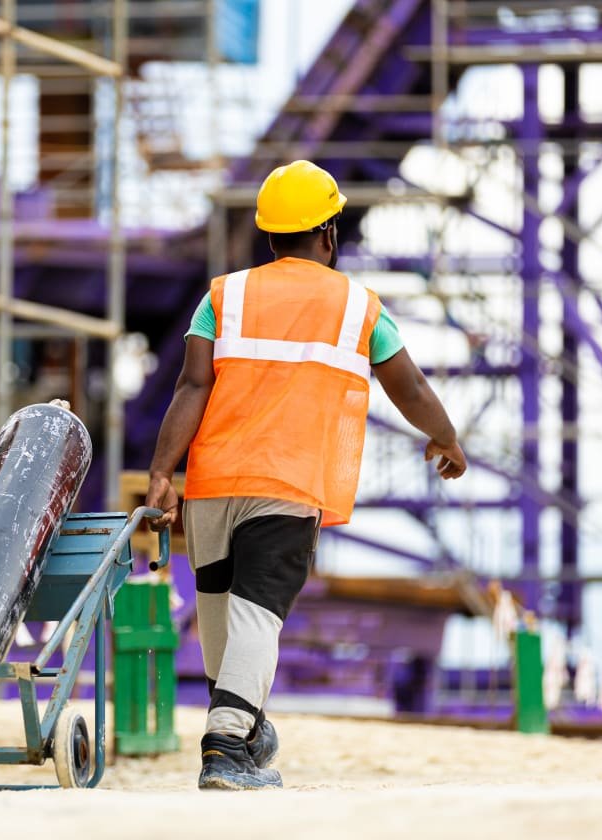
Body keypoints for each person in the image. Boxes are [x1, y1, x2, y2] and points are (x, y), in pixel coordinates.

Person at [144, 160, 467, 790]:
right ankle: (226, 748)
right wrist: (446, 437)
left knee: (222, 614)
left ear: (269, 235)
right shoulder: (359, 307)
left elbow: (191, 385)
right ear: (328, 232)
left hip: (213, 483)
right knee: (257, 615)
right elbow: (408, 385)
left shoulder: (223, 297)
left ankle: (246, 730)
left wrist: (162, 472)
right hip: (287, 487)